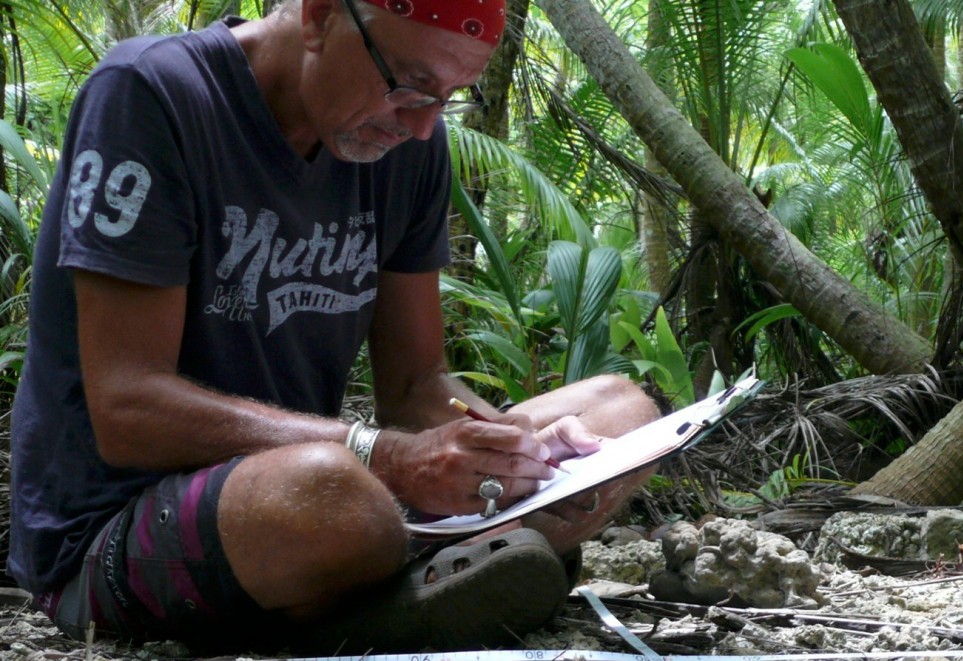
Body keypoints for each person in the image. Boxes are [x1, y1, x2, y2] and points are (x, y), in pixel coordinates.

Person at [7, 0, 661, 652]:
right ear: (320, 17)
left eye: (451, 97)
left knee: (619, 409)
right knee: (334, 495)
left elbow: (416, 384)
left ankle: (393, 580)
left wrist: (518, 452)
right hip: (119, 528)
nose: (427, 126)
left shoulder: (407, 148)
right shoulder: (154, 95)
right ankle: (404, 581)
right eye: (411, 84)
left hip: (317, 492)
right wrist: (386, 456)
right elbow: (127, 407)